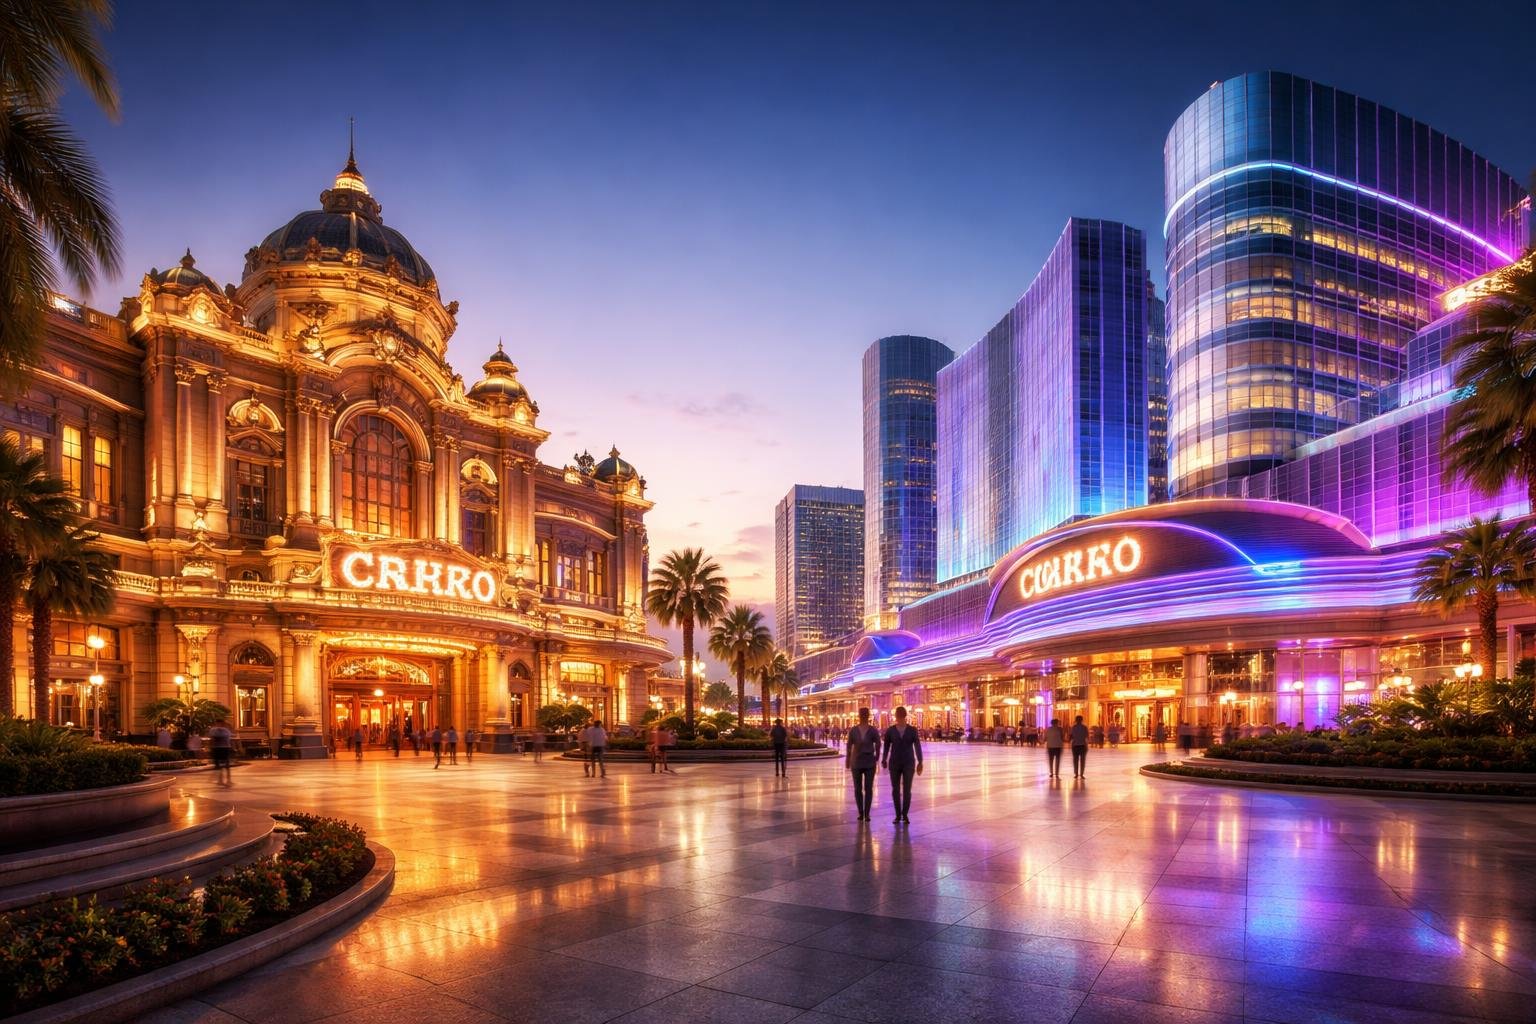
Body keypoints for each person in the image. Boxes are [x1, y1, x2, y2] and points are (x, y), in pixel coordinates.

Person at [881, 706, 922, 825]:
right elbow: (887, 746)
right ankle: (898, 815)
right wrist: (884, 759)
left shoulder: (912, 730)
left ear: (903, 716)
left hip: (909, 763)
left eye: (899, 715)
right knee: (895, 789)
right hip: (894, 763)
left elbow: (917, 746)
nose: (898, 718)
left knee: (907, 789)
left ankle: (905, 814)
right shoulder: (891, 730)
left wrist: (920, 761)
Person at [845, 707, 881, 821]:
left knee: (868, 788)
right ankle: (861, 812)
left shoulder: (873, 730)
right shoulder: (853, 730)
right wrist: (848, 759)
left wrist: (877, 757)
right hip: (856, 762)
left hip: (869, 763)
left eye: (865, 714)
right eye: (862, 714)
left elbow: (878, 743)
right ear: (859, 716)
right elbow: (849, 745)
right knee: (858, 788)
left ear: (867, 716)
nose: (863, 716)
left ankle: (867, 813)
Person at [208, 719, 233, 786]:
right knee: (218, 765)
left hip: (224, 748)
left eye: (220, 723)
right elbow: (211, 739)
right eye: (217, 723)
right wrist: (210, 748)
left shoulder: (225, 731)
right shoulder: (213, 730)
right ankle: (220, 780)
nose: (219, 725)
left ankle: (228, 780)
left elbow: (228, 740)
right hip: (217, 748)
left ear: (223, 724)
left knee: (226, 765)